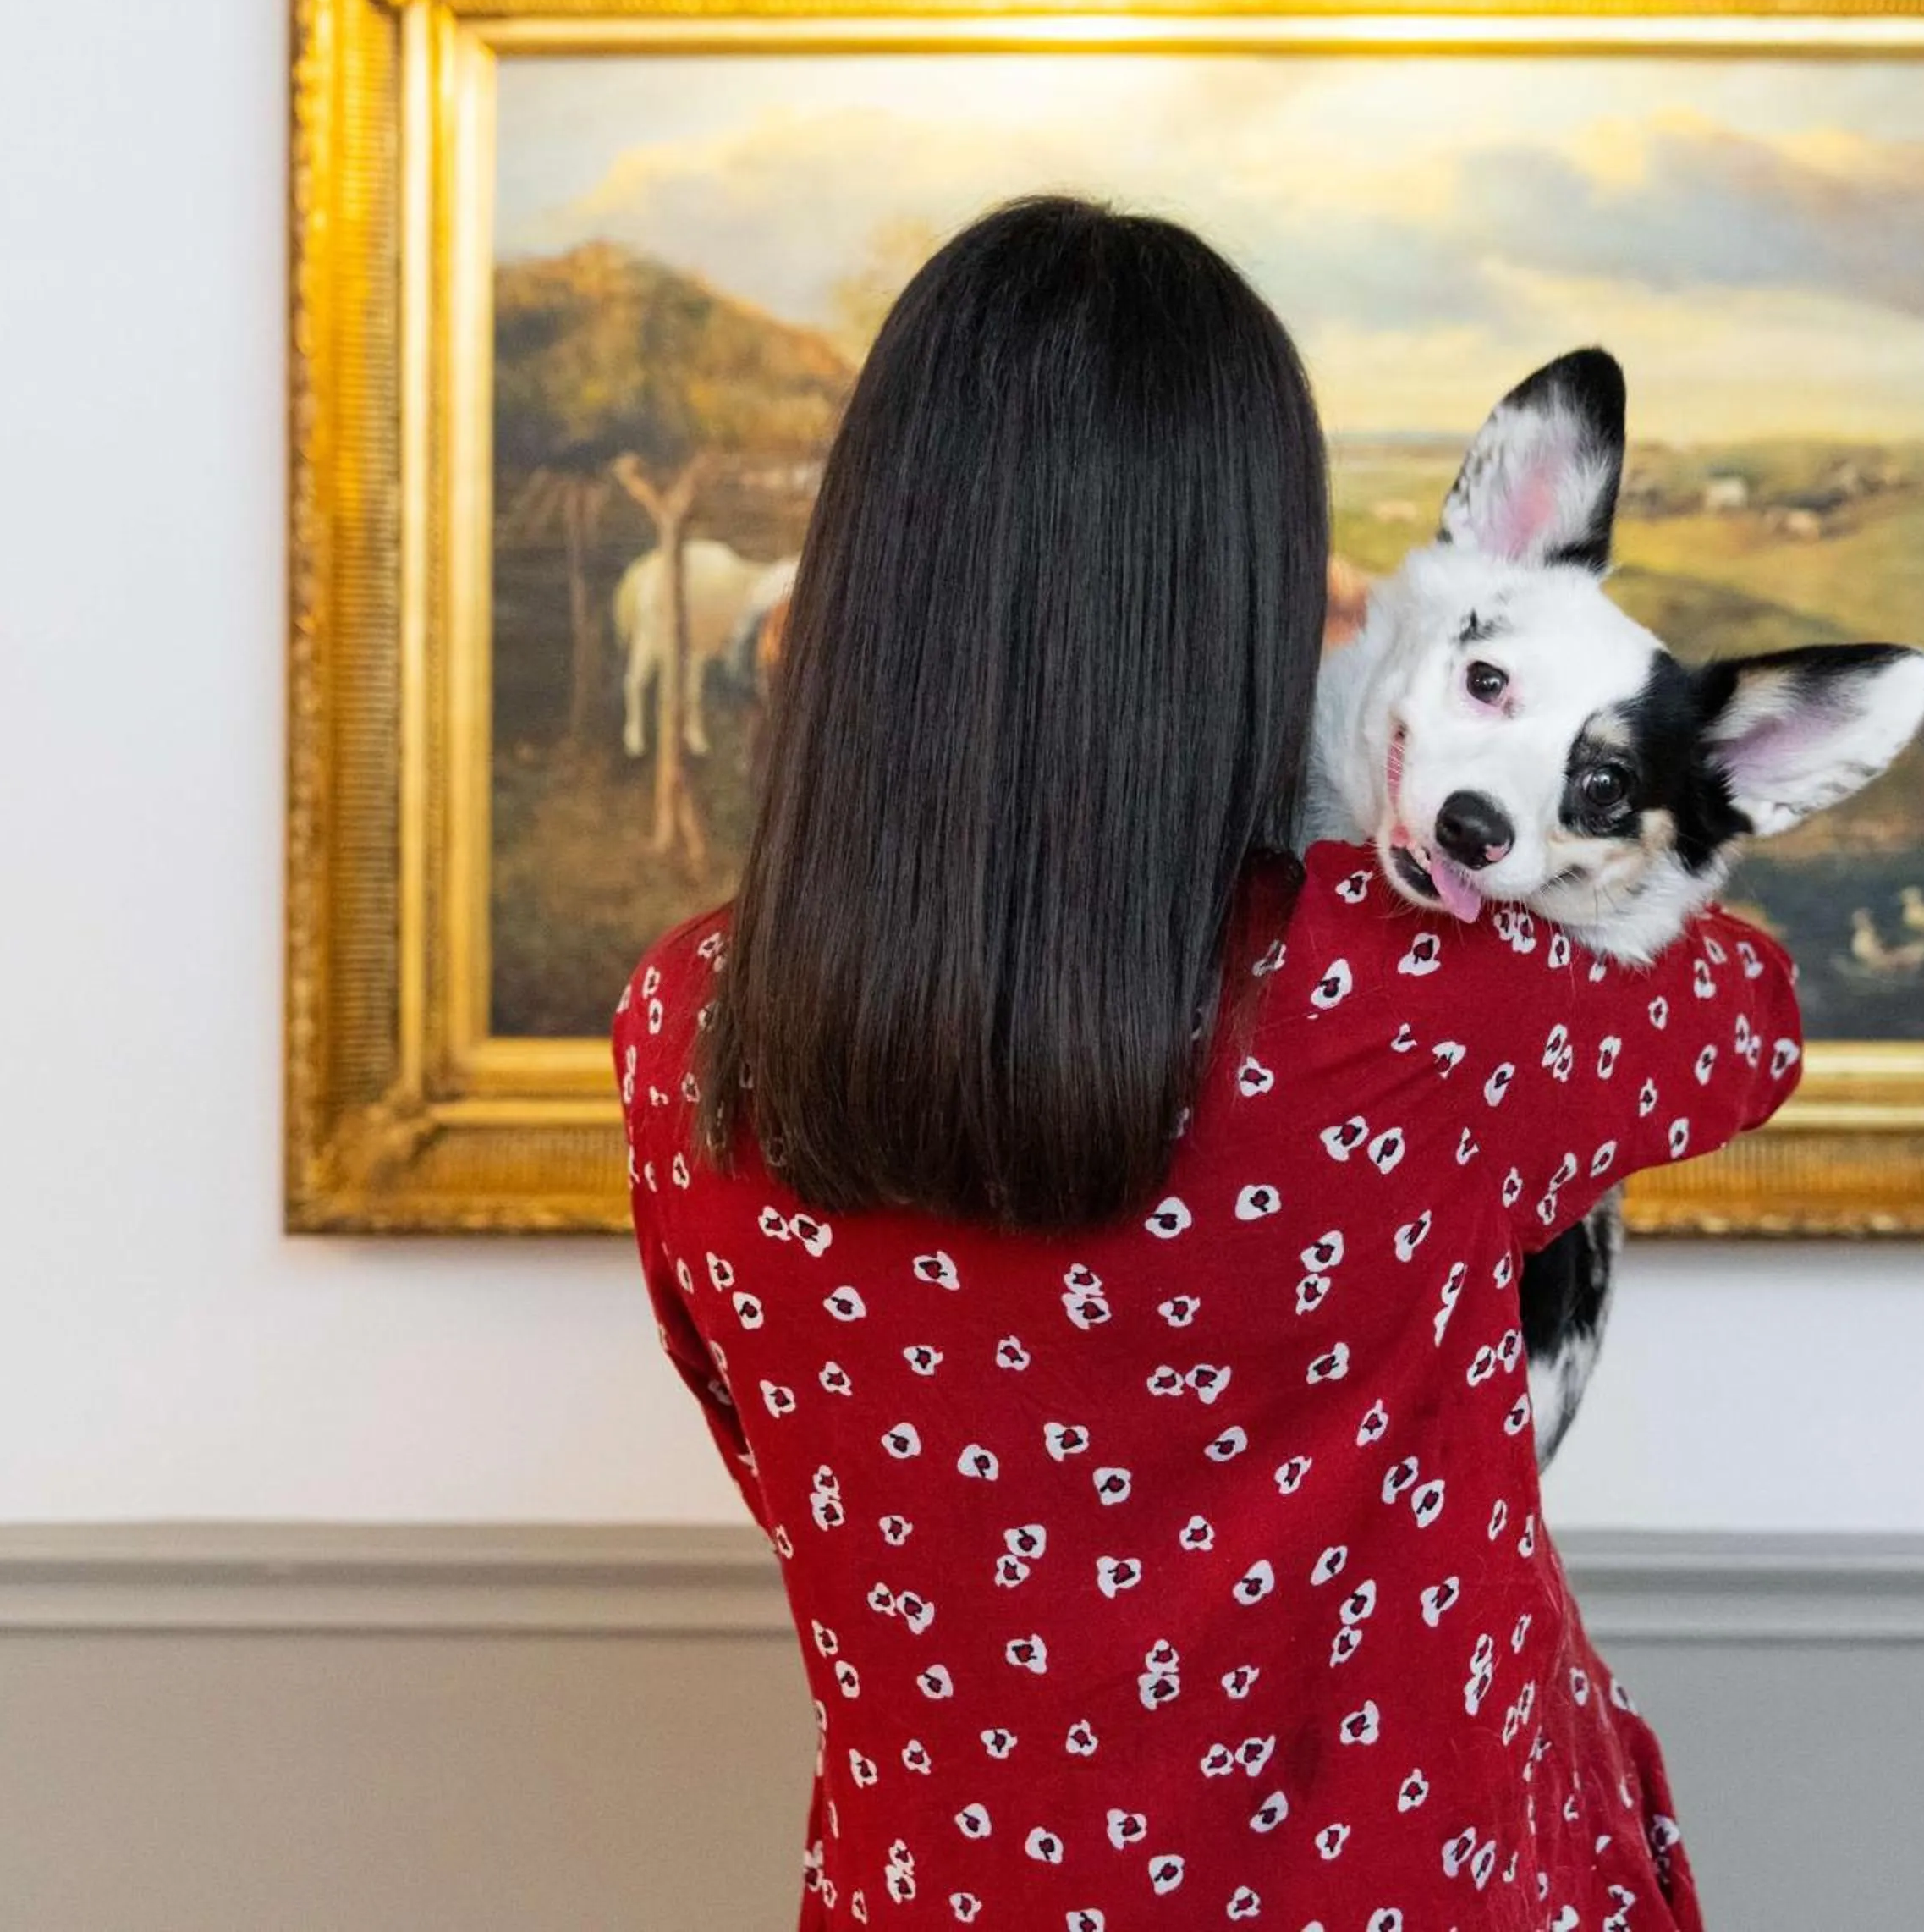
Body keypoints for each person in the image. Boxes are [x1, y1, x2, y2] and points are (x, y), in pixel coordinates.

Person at [614, 195, 1802, 1930]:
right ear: (1258, 596)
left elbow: (764, 1437)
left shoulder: (690, 1024)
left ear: (870, 576)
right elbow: (1747, 1016)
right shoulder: (1416, 1002)